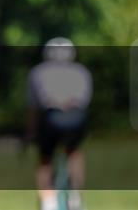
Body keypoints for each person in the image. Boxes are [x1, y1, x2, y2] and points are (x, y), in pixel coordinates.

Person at [26, 37, 93, 210]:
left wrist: (31, 132)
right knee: (74, 152)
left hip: (51, 118)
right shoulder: (82, 71)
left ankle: (48, 201)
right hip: (76, 118)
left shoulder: (37, 72)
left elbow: (33, 108)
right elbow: (84, 102)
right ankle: (75, 196)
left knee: (45, 160)